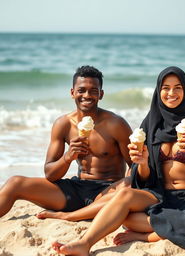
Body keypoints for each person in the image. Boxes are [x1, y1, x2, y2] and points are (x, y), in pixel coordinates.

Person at [51, 66, 185, 255]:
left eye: (177, 87)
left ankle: (150, 235)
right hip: (159, 194)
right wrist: (142, 162)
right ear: (159, 91)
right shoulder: (152, 122)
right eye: (165, 88)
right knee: (124, 199)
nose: (171, 93)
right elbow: (144, 178)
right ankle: (84, 243)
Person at [0, 65, 132, 220]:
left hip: (108, 191)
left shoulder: (116, 124)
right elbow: (50, 174)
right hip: (75, 190)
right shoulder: (63, 124)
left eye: (93, 91)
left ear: (101, 94)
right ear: (72, 93)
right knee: (15, 183)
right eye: (81, 90)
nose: (87, 95)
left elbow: (135, 166)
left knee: (129, 184)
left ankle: (68, 216)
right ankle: (78, 212)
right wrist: (68, 157)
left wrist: (123, 185)